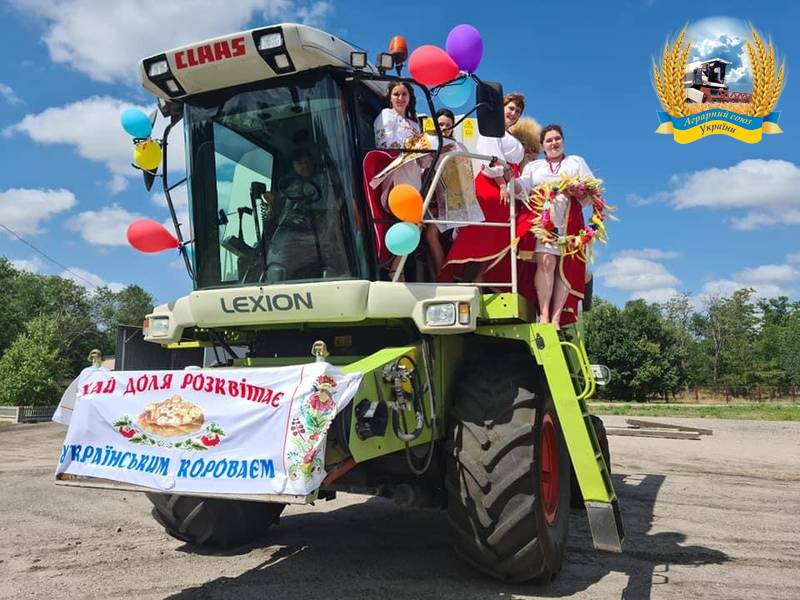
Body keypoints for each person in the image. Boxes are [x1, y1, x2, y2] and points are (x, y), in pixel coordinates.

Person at [438, 92, 527, 285]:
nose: (513, 113)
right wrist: (502, 184)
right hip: (491, 187)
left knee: (496, 241)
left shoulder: (509, 134)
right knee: (483, 239)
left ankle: (476, 283)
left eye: (517, 111)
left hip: (506, 187)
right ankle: (467, 282)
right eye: (511, 108)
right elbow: (491, 158)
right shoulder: (491, 129)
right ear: (502, 108)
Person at [516, 124, 594, 326]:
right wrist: (507, 179)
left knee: (565, 268)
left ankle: (557, 317)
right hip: (544, 220)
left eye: (557, 138)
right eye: (549, 140)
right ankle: (543, 314)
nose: (554, 143)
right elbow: (523, 186)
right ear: (542, 146)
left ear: (563, 141)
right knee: (546, 262)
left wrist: (579, 190)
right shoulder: (534, 167)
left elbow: (591, 190)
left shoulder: (576, 162)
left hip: (571, 220)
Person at [373, 82, 424, 279]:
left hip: (412, 177)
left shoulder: (415, 124)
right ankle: (395, 269)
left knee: (414, 224)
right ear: (390, 97)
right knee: (408, 223)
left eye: (404, 94)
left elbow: (422, 159)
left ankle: (397, 268)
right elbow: (383, 143)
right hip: (397, 175)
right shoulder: (386, 115)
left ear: (409, 98)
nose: (400, 98)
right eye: (396, 94)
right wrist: (410, 146)